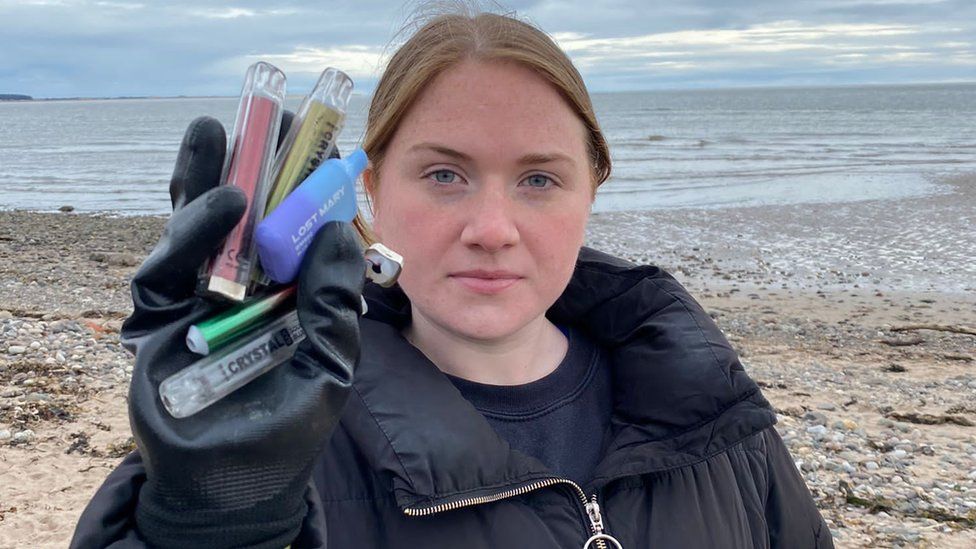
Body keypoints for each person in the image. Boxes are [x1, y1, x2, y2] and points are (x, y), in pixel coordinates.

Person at [71, 7, 833, 549]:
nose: (493, 228)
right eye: (444, 173)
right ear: (368, 190)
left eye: (539, 179)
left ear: (592, 189)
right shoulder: (265, 427)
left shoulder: (709, 412)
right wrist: (207, 522)